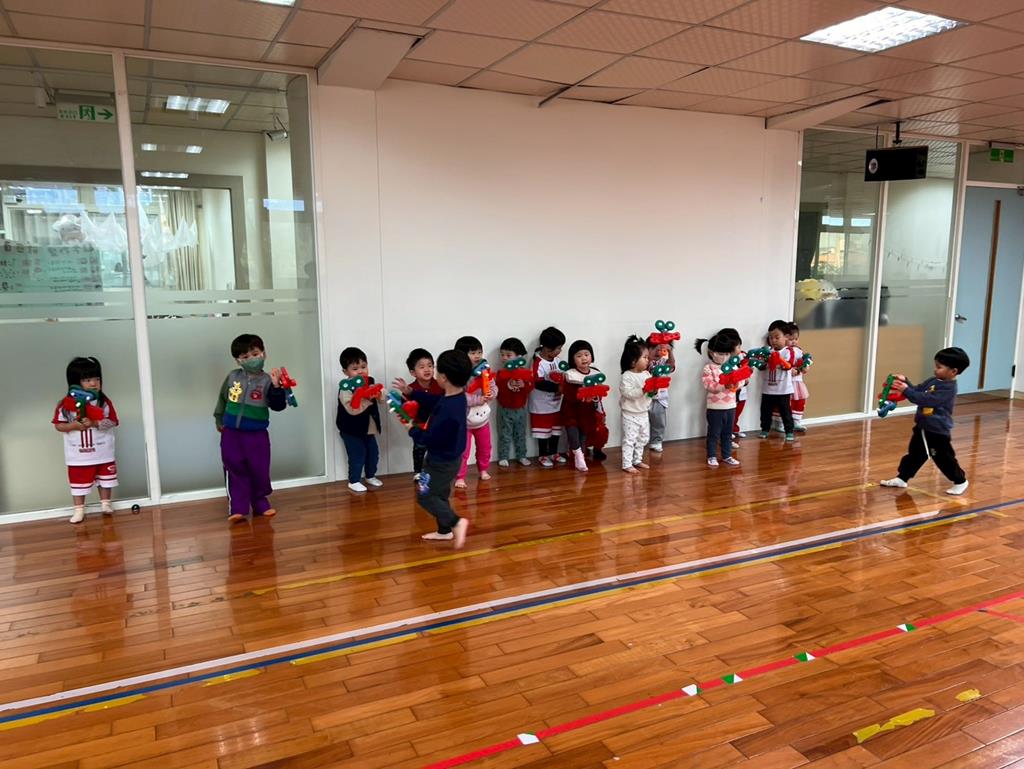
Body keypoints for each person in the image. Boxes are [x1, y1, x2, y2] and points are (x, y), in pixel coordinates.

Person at [394, 350, 472, 547]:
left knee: (425, 496)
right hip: (450, 459)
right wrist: (411, 392)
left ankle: (456, 522)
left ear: (443, 378)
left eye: (435, 368)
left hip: (439, 462)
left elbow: (429, 439)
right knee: (440, 495)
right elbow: (435, 401)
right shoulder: (456, 397)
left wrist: (411, 429)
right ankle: (445, 531)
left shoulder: (447, 409)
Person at [214, 334, 288, 521]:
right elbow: (222, 398)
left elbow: (278, 406)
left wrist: (277, 387)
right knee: (234, 468)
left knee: (259, 468)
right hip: (231, 433)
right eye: (245, 357)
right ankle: (237, 507)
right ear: (238, 360)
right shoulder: (233, 377)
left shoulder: (267, 381)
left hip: (256, 434)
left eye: (255, 354)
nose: (251, 359)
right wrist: (219, 420)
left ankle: (260, 502)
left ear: (263, 354)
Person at [881, 347, 970, 496]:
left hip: (937, 430)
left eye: (939, 367)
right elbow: (917, 390)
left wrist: (905, 390)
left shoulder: (948, 389)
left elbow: (926, 399)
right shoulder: (933, 381)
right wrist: (905, 382)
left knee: (943, 457)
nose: (935, 370)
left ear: (953, 371)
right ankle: (902, 478)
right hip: (923, 426)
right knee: (915, 454)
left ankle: (960, 481)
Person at [53, 356, 119, 524]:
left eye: (97, 379)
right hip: (78, 454)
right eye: (87, 380)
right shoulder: (65, 405)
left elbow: (113, 421)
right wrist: (73, 426)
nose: (93, 383)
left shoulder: (103, 402)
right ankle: (79, 510)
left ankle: (106, 503)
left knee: (105, 479)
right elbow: (58, 425)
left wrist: (95, 423)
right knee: (78, 483)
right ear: (75, 383)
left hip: (102, 451)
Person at [336, 346, 385, 494]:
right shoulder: (345, 388)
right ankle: (354, 481)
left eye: (363, 367)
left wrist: (379, 393)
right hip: (351, 429)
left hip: (368, 428)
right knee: (357, 455)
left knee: (373, 454)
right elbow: (352, 409)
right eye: (355, 369)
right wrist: (367, 399)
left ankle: (370, 476)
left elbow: (382, 399)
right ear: (345, 372)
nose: (361, 371)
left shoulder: (370, 381)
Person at [454, 335, 495, 488]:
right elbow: (458, 396)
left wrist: (491, 394)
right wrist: (478, 399)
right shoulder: (458, 374)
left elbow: (493, 386)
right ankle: (460, 477)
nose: (477, 355)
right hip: (464, 422)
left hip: (482, 420)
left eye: (479, 352)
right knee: (463, 451)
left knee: (485, 447)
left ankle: (483, 469)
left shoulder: (485, 370)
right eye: (472, 353)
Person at [696, 334, 740, 467]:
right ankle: (712, 456)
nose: (724, 357)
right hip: (715, 407)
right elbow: (709, 386)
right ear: (711, 353)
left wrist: (739, 382)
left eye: (727, 354)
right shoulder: (708, 368)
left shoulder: (732, 366)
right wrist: (725, 385)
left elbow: (741, 381)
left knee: (727, 434)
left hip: (731, 406)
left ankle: (727, 455)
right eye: (721, 353)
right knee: (714, 434)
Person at [560, 339, 604, 473]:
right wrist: (582, 395)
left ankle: (581, 457)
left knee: (583, 435)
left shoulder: (595, 373)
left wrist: (594, 397)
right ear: (573, 359)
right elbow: (567, 393)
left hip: (587, 411)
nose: (583, 358)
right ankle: (578, 455)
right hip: (571, 410)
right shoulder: (570, 374)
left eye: (586, 354)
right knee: (572, 433)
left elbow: (600, 392)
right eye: (579, 356)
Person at [529, 326, 567, 468]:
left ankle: (553, 452)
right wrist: (557, 388)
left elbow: (563, 374)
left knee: (556, 430)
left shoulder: (557, 360)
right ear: (547, 349)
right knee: (543, 432)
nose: (560, 351)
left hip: (556, 404)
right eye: (558, 348)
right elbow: (537, 382)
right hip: (541, 405)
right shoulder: (537, 362)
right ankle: (543, 455)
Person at [495, 337, 534, 468]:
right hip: (504, 409)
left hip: (520, 409)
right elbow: (498, 389)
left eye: (508, 355)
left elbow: (530, 387)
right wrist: (507, 384)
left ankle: (521, 455)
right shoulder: (501, 373)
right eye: (502, 354)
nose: (504, 358)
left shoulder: (525, 373)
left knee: (520, 434)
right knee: (504, 434)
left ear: (519, 357)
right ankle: (503, 457)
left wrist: (524, 384)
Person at [406, 348, 443, 480]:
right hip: (419, 424)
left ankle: (437, 470)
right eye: (422, 367)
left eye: (430, 365)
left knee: (438, 448)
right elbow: (405, 407)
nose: (427, 369)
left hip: (438, 424)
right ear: (412, 372)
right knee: (419, 447)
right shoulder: (410, 389)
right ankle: (418, 471)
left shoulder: (440, 385)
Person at [620, 335, 652, 474]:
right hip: (630, 414)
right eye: (645, 357)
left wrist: (653, 391)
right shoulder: (627, 376)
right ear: (633, 361)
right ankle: (627, 464)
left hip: (643, 412)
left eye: (647, 357)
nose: (647, 360)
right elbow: (628, 393)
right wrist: (643, 390)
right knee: (630, 439)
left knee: (643, 438)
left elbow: (650, 394)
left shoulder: (647, 374)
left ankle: (637, 460)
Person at [759, 320, 795, 441]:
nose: (773, 340)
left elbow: (788, 365)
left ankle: (789, 431)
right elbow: (761, 367)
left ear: (786, 337)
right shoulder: (767, 351)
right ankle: (765, 429)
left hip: (783, 390)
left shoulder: (788, 351)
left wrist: (776, 360)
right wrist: (763, 360)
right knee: (765, 411)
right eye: (770, 337)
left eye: (777, 337)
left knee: (785, 411)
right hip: (768, 389)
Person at [646, 335, 675, 453]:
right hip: (644, 397)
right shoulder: (644, 361)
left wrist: (670, 352)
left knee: (659, 421)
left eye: (661, 350)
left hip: (659, 397)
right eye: (655, 349)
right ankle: (640, 441)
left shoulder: (663, 361)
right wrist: (648, 359)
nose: (658, 352)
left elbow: (671, 366)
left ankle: (656, 441)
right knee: (642, 421)